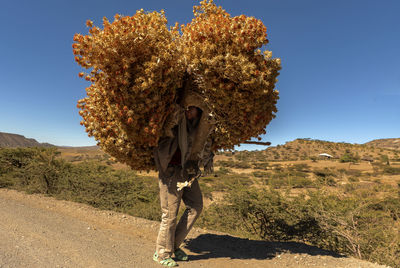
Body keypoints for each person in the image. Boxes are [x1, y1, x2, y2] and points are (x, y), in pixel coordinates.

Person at [152, 104, 213, 267]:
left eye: (194, 109)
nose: (190, 111)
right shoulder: (173, 121)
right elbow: (166, 129)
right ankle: (161, 253)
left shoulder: (197, 129)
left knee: (196, 206)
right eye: (189, 107)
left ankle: (173, 245)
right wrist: (179, 113)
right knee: (169, 214)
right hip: (170, 171)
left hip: (187, 171)